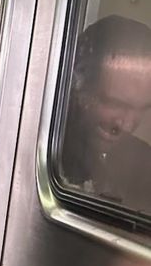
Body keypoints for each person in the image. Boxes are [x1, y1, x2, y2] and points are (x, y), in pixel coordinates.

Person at [60, 15, 151, 213]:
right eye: (115, 104)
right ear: (79, 86)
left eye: (142, 108)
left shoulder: (145, 166)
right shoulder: (48, 151)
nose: (127, 125)